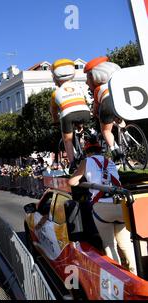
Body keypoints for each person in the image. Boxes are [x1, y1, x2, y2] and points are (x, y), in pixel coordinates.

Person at [68, 136, 137, 275]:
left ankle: (118, 277)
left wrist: (81, 177)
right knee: (125, 244)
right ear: (100, 150)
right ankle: (135, 275)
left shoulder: (86, 161)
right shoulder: (109, 161)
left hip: (102, 208)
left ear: (87, 152)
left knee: (109, 244)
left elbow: (72, 182)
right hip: (120, 205)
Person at [50, 58, 91, 172]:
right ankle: (82, 138)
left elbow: (53, 111)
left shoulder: (55, 93)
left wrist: (55, 120)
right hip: (85, 112)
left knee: (67, 139)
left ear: (56, 78)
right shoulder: (79, 87)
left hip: (67, 115)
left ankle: (72, 163)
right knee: (80, 126)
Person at [84, 56, 124, 162]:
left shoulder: (98, 89)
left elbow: (96, 106)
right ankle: (126, 130)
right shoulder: (116, 84)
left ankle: (114, 150)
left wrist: (95, 113)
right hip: (120, 102)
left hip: (107, 103)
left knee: (106, 130)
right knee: (118, 118)